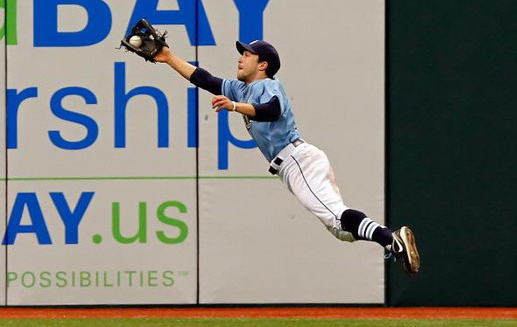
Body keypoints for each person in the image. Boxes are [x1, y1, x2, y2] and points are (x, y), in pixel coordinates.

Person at [153, 40, 420, 276]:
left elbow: (271, 110)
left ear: (263, 64)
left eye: (247, 54)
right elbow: (206, 79)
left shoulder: (269, 85)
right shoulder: (243, 89)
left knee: (337, 219)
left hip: (297, 160)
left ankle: (391, 237)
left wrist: (234, 107)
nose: (240, 57)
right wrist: (169, 57)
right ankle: (389, 240)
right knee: (341, 231)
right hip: (296, 163)